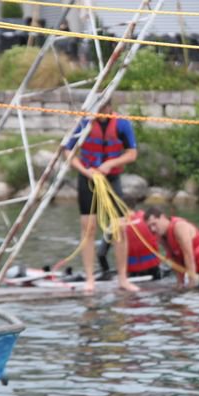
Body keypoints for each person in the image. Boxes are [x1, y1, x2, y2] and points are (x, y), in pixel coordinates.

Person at [64, 99, 139, 293]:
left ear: (109, 107)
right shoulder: (84, 123)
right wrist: (86, 171)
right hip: (88, 180)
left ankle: (123, 279)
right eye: (96, 108)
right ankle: (90, 279)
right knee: (88, 228)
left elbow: (132, 154)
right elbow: (68, 151)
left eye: (102, 108)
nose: (99, 112)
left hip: (111, 179)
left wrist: (111, 164)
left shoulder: (122, 124)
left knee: (120, 228)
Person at [97, 210, 166, 280]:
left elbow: (101, 254)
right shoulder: (148, 218)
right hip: (154, 271)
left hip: (132, 273)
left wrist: (106, 272)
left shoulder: (114, 223)